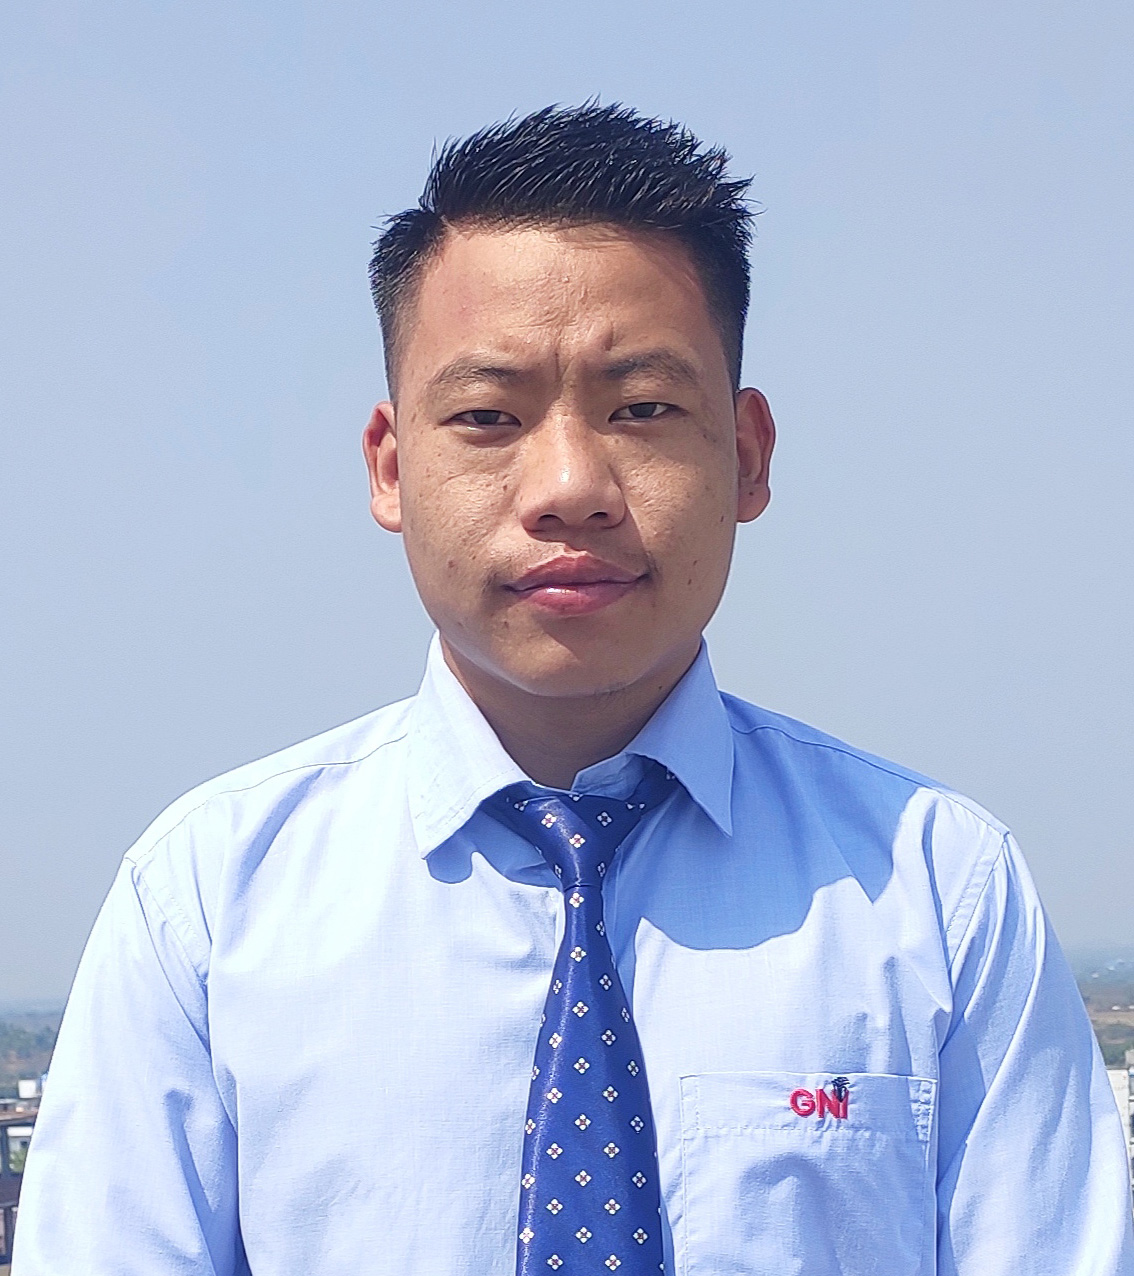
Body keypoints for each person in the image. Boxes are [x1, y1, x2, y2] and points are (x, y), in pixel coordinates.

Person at [13, 104, 1133, 1276]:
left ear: (747, 454)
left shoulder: (937, 894)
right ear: (390, 467)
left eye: (641, 408)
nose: (568, 485)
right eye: (488, 417)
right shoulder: (206, 906)